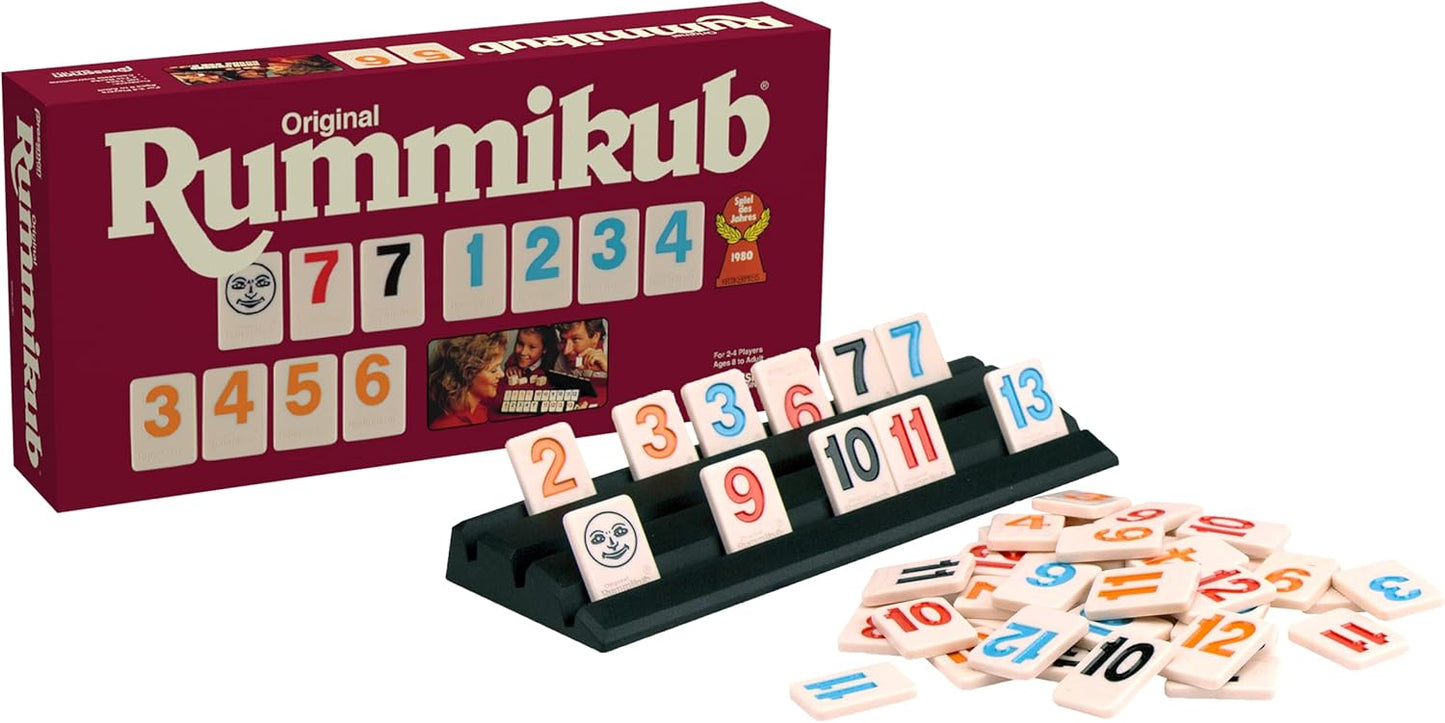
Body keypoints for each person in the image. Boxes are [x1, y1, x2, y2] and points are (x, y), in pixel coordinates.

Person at [427, 333, 507, 429]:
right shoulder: (445, 426)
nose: (502, 374)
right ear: (467, 374)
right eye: (493, 370)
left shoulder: (480, 405)